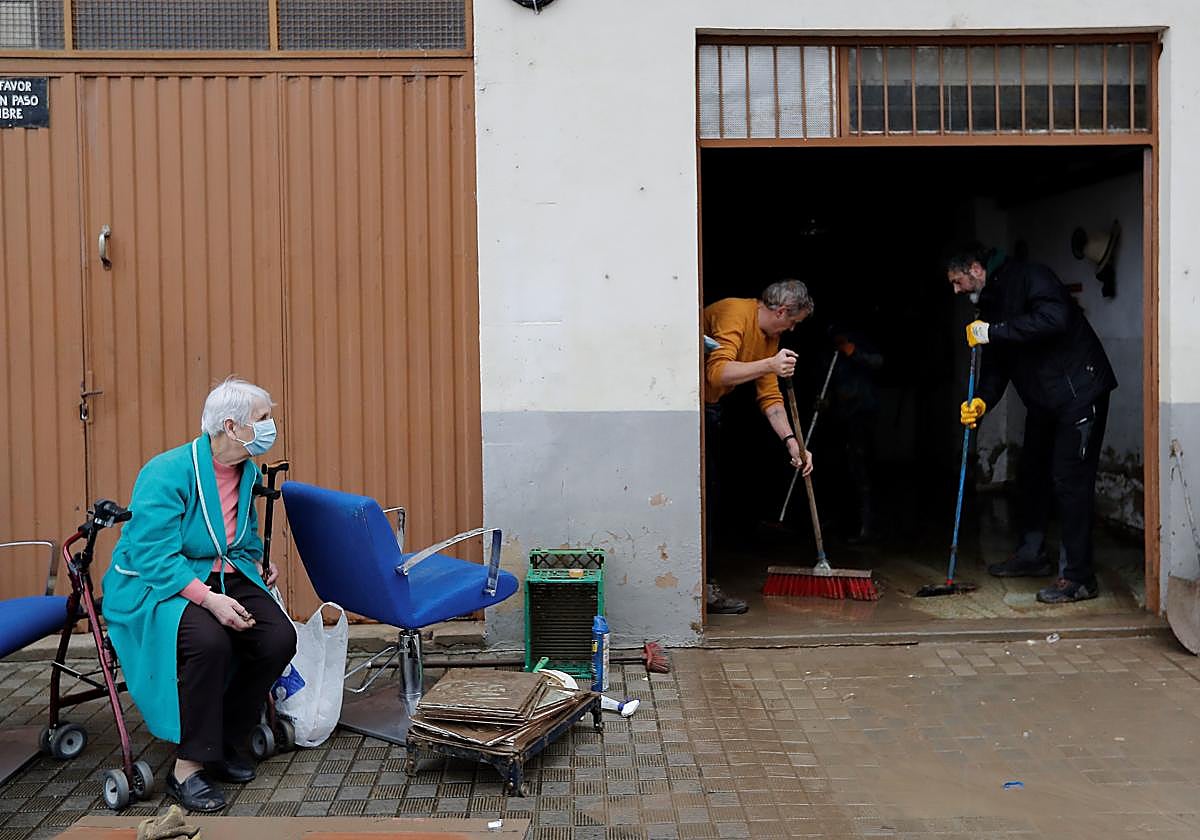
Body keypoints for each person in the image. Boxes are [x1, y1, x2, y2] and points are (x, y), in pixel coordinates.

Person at [102, 378, 297, 812]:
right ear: (232, 426)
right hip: (154, 582)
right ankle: (186, 768)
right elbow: (152, 556)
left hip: (222, 572)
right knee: (210, 641)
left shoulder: (246, 470)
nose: (271, 426)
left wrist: (257, 565)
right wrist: (209, 600)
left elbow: (241, 535)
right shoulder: (166, 471)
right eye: (264, 418)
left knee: (277, 639)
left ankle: (225, 742)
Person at [946, 245, 1117, 604]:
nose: (956, 290)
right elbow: (998, 364)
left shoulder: (1031, 276)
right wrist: (981, 402)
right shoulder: (991, 301)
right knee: (1032, 474)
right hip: (1045, 400)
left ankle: (1078, 578)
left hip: (1078, 391)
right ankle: (1031, 554)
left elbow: (1055, 320)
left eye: (957, 281)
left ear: (975, 269)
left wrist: (994, 331)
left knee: (1070, 482)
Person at [703, 279, 815, 614]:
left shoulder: (771, 337)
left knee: (712, 496)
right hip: (688, 405)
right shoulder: (735, 314)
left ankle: (705, 585)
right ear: (781, 311)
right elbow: (717, 373)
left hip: (710, 409)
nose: (792, 329)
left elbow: (769, 395)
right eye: (793, 322)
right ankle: (703, 589)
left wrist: (792, 442)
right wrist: (769, 364)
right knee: (703, 501)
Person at [826, 324, 884, 543]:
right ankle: (840, 522)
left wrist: (855, 353)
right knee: (838, 469)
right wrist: (826, 401)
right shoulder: (830, 353)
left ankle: (867, 526)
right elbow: (828, 382)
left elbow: (878, 363)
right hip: (839, 416)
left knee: (862, 471)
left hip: (862, 415)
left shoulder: (859, 344)